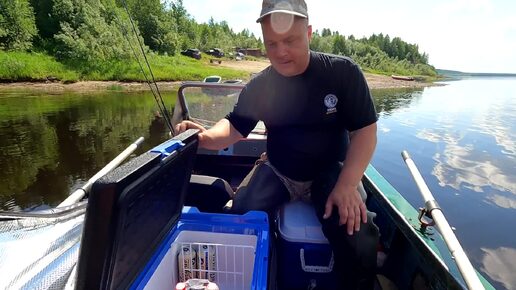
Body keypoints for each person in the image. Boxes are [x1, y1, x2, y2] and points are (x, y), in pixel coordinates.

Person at [175, 0, 379, 288]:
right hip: (278, 169)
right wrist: (205, 137)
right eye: (272, 44)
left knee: (356, 232)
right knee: (239, 216)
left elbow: (366, 131)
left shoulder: (342, 73)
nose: (281, 52)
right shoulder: (261, 85)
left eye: (290, 40)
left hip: (332, 172)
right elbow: (235, 127)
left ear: (308, 33)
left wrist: (347, 184)